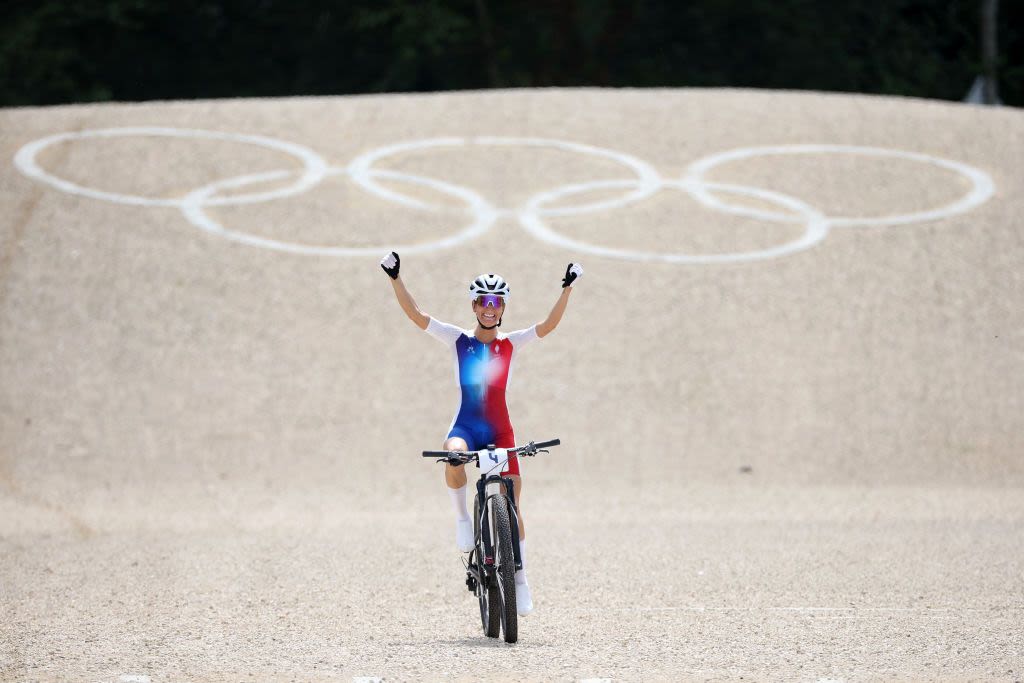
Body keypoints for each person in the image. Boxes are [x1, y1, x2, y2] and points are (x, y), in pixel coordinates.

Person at [379, 251, 583, 616]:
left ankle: (520, 580)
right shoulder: (457, 339)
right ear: (474, 306)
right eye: (484, 301)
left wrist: (566, 289)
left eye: (497, 302)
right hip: (467, 426)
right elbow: (416, 316)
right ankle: (462, 518)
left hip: (501, 430)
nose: (490, 308)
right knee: (451, 452)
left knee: (515, 506)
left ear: (502, 307)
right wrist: (396, 278)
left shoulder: (511, 343)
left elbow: (547, 326)